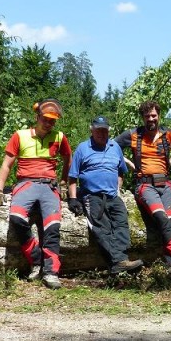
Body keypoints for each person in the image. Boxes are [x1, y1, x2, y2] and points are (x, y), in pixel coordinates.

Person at [0, 99, 71, 289]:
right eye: (45, 119)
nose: (49, 124)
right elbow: (6, 164)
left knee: (53, 227)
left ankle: (51, 273)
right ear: (37, 117)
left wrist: (63, 182)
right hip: (25, 184)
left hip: (49, 187)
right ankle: (36, 259)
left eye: (52, 121)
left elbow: (68, 157)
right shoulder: (20, 135)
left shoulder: (59, 137)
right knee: (16, 218)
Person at [115, 100, 171, 271]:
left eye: (153, 115)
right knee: (161, 218)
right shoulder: (133, 135)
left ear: (158, 116)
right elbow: (110, 147)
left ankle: (170, 264)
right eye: (147, 116)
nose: (151, 119)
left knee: (169, 222)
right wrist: (127, 163)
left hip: (166, 184)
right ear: (142, 118)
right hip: (144, 186)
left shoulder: (169, 135)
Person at [67, 116, 144, 275]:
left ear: (108, 130)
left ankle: (118, 262)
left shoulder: (114, 146)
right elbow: (73, 177)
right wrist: (73, 198)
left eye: (104, 130)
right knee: (102, 228)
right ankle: (119, 262)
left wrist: (117, 189)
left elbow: (121, 172)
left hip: (112, 196)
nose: (102, 133)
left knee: (121, 222)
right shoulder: (83, 148)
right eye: (98, 130)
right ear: (92, 130)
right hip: (91, 195)